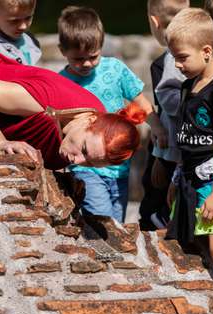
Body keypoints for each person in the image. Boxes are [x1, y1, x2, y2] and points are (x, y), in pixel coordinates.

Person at [0, 53, 144, 170]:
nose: (77, 160)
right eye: (82, 149)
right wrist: (0, 143)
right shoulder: (46, 104)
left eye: (90, 163)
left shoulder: (97, 119)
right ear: (90, 120)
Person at [57, 6, 161, 223]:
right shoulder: (61, 82)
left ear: (101, 45)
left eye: (92, 56)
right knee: (102, 221)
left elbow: (140, 104)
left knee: (117, 223)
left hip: (118, 166)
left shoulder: (114, 69)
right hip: (85, 167)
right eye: (78, 58)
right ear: (62, 51)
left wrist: (158, 128)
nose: (86, 63)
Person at [165, 8, 213, 278]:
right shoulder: (189, 85)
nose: (177, 64)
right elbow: (187, 138)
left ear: (207, 51)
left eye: (182, 57)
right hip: (188, 181)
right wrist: (176, 179)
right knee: (192, 245)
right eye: (174, 58)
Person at [139, 0, 189, 230]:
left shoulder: (165, 63)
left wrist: (160, 156)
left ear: (154, 21)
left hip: (170, 151)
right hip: (193, 148)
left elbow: (173, 115)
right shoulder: (205, 55)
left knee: (153, 207)